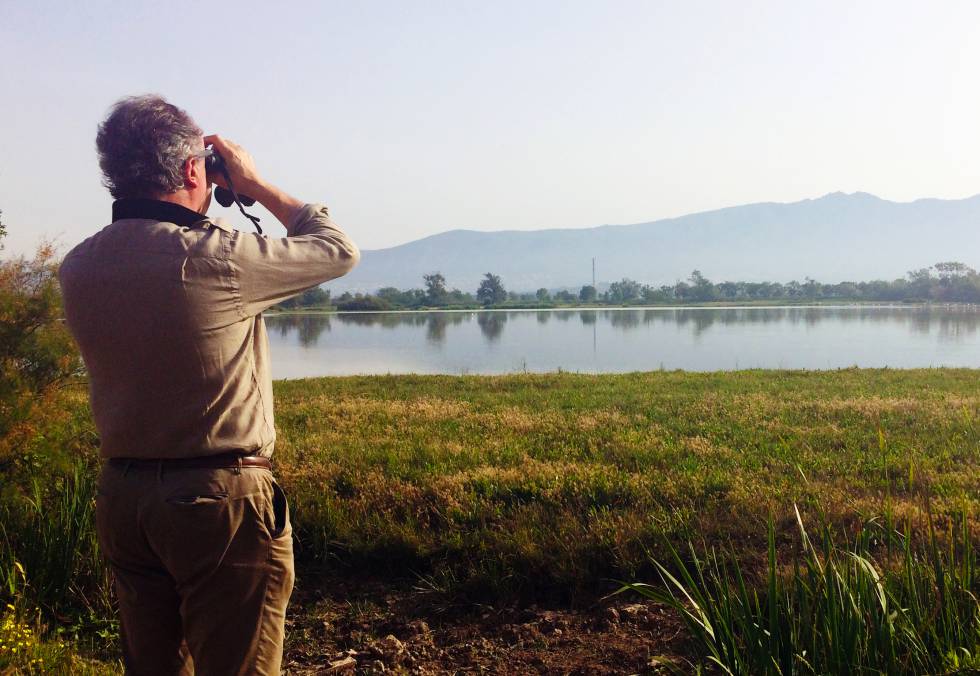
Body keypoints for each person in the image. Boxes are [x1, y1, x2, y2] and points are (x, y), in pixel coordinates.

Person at [59, 94, 360, 675]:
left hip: (124, 498)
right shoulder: (217, 258)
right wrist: (256, 183)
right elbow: (336, 250)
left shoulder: (79, 265)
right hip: (217, 498)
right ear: (193, 168)